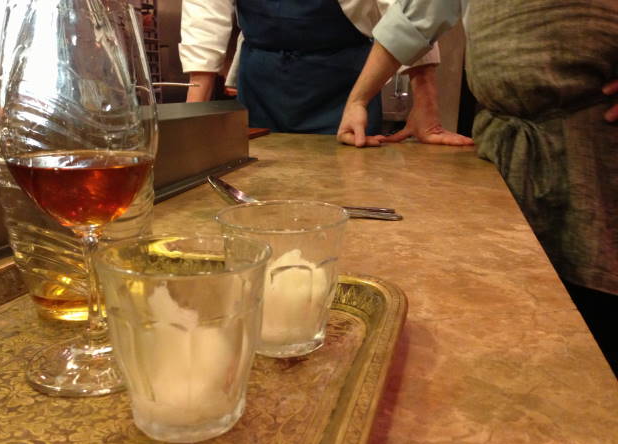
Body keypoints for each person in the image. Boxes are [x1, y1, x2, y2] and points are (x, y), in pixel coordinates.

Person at [337, 0, 618, 375]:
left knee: (596, 331)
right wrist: (358, 99)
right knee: (509, 310)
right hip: (501, 148)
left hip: (598, 150)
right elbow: (415, 14)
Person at [179, 0, 473, 146]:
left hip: (344, 84)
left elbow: (410, 9)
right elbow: (205, 15)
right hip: (260, 84)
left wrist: (426, 102)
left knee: (350, 190)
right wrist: (189, 124)